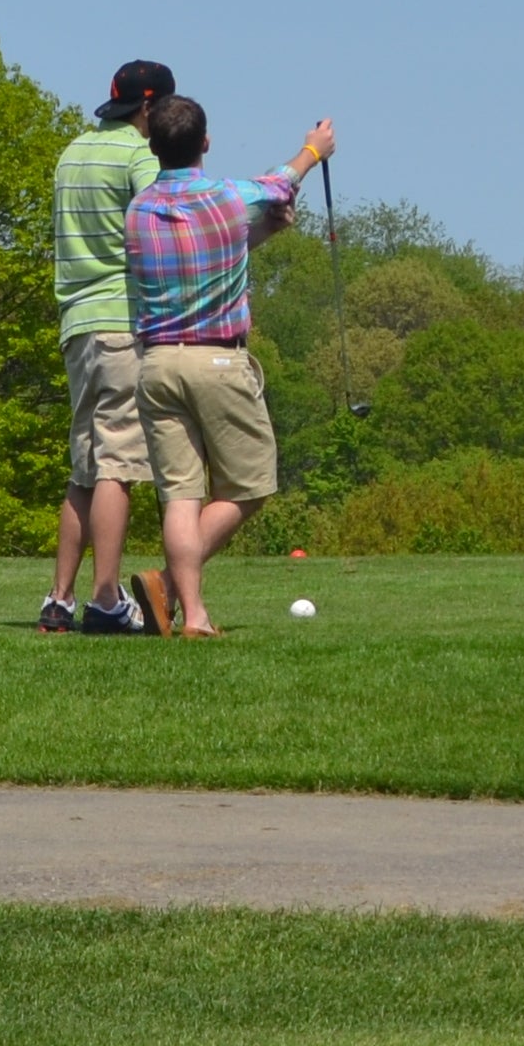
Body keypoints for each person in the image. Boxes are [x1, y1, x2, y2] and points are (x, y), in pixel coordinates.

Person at [122, 93, 336, 640]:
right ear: (206, 143)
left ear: (153, 145)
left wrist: (263, 233)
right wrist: (314, 149)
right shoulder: (227, 197)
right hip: (218, 359)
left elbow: (208, 252)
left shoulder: (139, 211)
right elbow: (280, 184)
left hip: (156, 364)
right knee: (250, 485)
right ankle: (169, 586)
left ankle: (190, 615)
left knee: (179, 496)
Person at [42, 59, 176, 635]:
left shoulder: (72, 152)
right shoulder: (138, 158)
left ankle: (58, 600)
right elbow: (161, 226)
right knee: (119, 464)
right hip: (123, 323)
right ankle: (104, 601)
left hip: (76, 325)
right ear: (148, 108)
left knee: (84, 468)